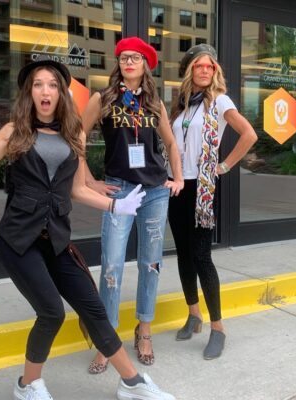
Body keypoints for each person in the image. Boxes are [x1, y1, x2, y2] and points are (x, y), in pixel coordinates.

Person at [0, 56, 177, 400]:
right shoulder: (14, 131)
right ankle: (28, 385)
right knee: (51, 311)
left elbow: (78, 189)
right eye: (38, 84)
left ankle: (133, 383)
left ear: (61, 93)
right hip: (19, 239)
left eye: (52, 84)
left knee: (93, 308)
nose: (45, 90)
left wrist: (116, 205)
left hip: (56, 238)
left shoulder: (73, 134)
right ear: (30, 92)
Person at [82, 37, 184, 373]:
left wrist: (178, 178)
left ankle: (144, 331)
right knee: (111, 264)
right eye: (124, 57)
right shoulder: (104, 98)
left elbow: (170, 143)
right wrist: (88, 179)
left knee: (150, 264)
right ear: (118, 63)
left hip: (154, 190)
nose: (129, 63)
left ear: (145, 65)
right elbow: (76, 136)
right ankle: (107, 341)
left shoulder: (154, 103)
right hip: (119, 189)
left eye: (135, 58)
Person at [167, 44, 257, 360]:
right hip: (177, 186)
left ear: (215, 70)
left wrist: (223, 167)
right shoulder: (181, 104)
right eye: (199, 66)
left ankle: (218, 328)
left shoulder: (220, 101)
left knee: (202, 256)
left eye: (210, 66)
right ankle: (194, 314)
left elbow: (248, 134)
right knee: (183, 255)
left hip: (202, 189)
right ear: (191, 70)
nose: (204, 70)